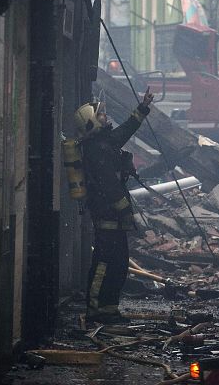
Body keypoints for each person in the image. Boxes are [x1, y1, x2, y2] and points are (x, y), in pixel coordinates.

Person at [74, 87, 154, 324]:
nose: (105, 118)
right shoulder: (95, 150)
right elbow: (110, 186)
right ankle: (95, 308)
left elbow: (125, 130)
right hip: (106, 215)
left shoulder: (104, 142)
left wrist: (143, 107)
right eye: (100, 115)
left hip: (115, 216)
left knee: (119, 264)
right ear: (91, 121)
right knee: (104, 262)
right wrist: (125, 211)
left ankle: (109, 308)